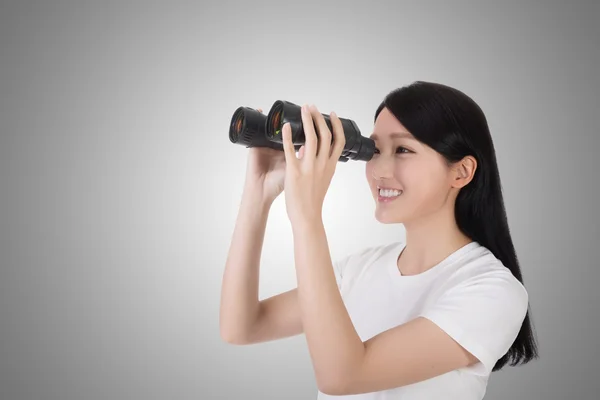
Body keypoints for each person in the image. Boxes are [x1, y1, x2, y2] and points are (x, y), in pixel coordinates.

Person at [219, 81, 539, 399]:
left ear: (462, 171)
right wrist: (257, 195)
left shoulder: (493, 291)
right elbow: (243, 326)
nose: (379, 170)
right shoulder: (361, 267)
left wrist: (307, 218)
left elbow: (342, 376)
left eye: (403, 150)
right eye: (374, 150)